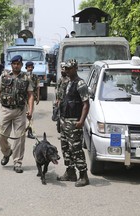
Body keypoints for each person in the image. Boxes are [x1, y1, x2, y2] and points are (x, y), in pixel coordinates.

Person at [0, 55, 34, 173]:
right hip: (5, 110)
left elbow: (30, 95)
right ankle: (7, 152)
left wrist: (30, 111)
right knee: (1, 136)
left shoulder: (26, 77)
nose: (16, 65)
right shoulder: (4, 76)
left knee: (19, 137)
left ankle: (17, 162)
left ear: (21, 65)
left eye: (18, 64)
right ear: (11, 64)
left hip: (20, 111)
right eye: (14, 63)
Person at [57, 59, 90, 187]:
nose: (67, 70)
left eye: (69, 68)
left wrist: (81, 120)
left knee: (76, 149)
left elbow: (86, 104)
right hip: (64, 120)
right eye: (66, 68)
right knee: (65, 148)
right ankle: (70, 172)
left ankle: (83, 175)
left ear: (76, 68)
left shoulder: (80, 83)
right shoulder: (67, 82)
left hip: (74, 121)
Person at [25, 61, 40, 139]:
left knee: (30, 114)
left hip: (31, 98)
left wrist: (38, 96)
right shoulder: (23, 76)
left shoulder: (35, 76)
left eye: (31, 67)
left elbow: (38, 87)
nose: (30, 68)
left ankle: (29, 131)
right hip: (23, 98)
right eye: (28, 67)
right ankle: (23, 130)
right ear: (26, 68)